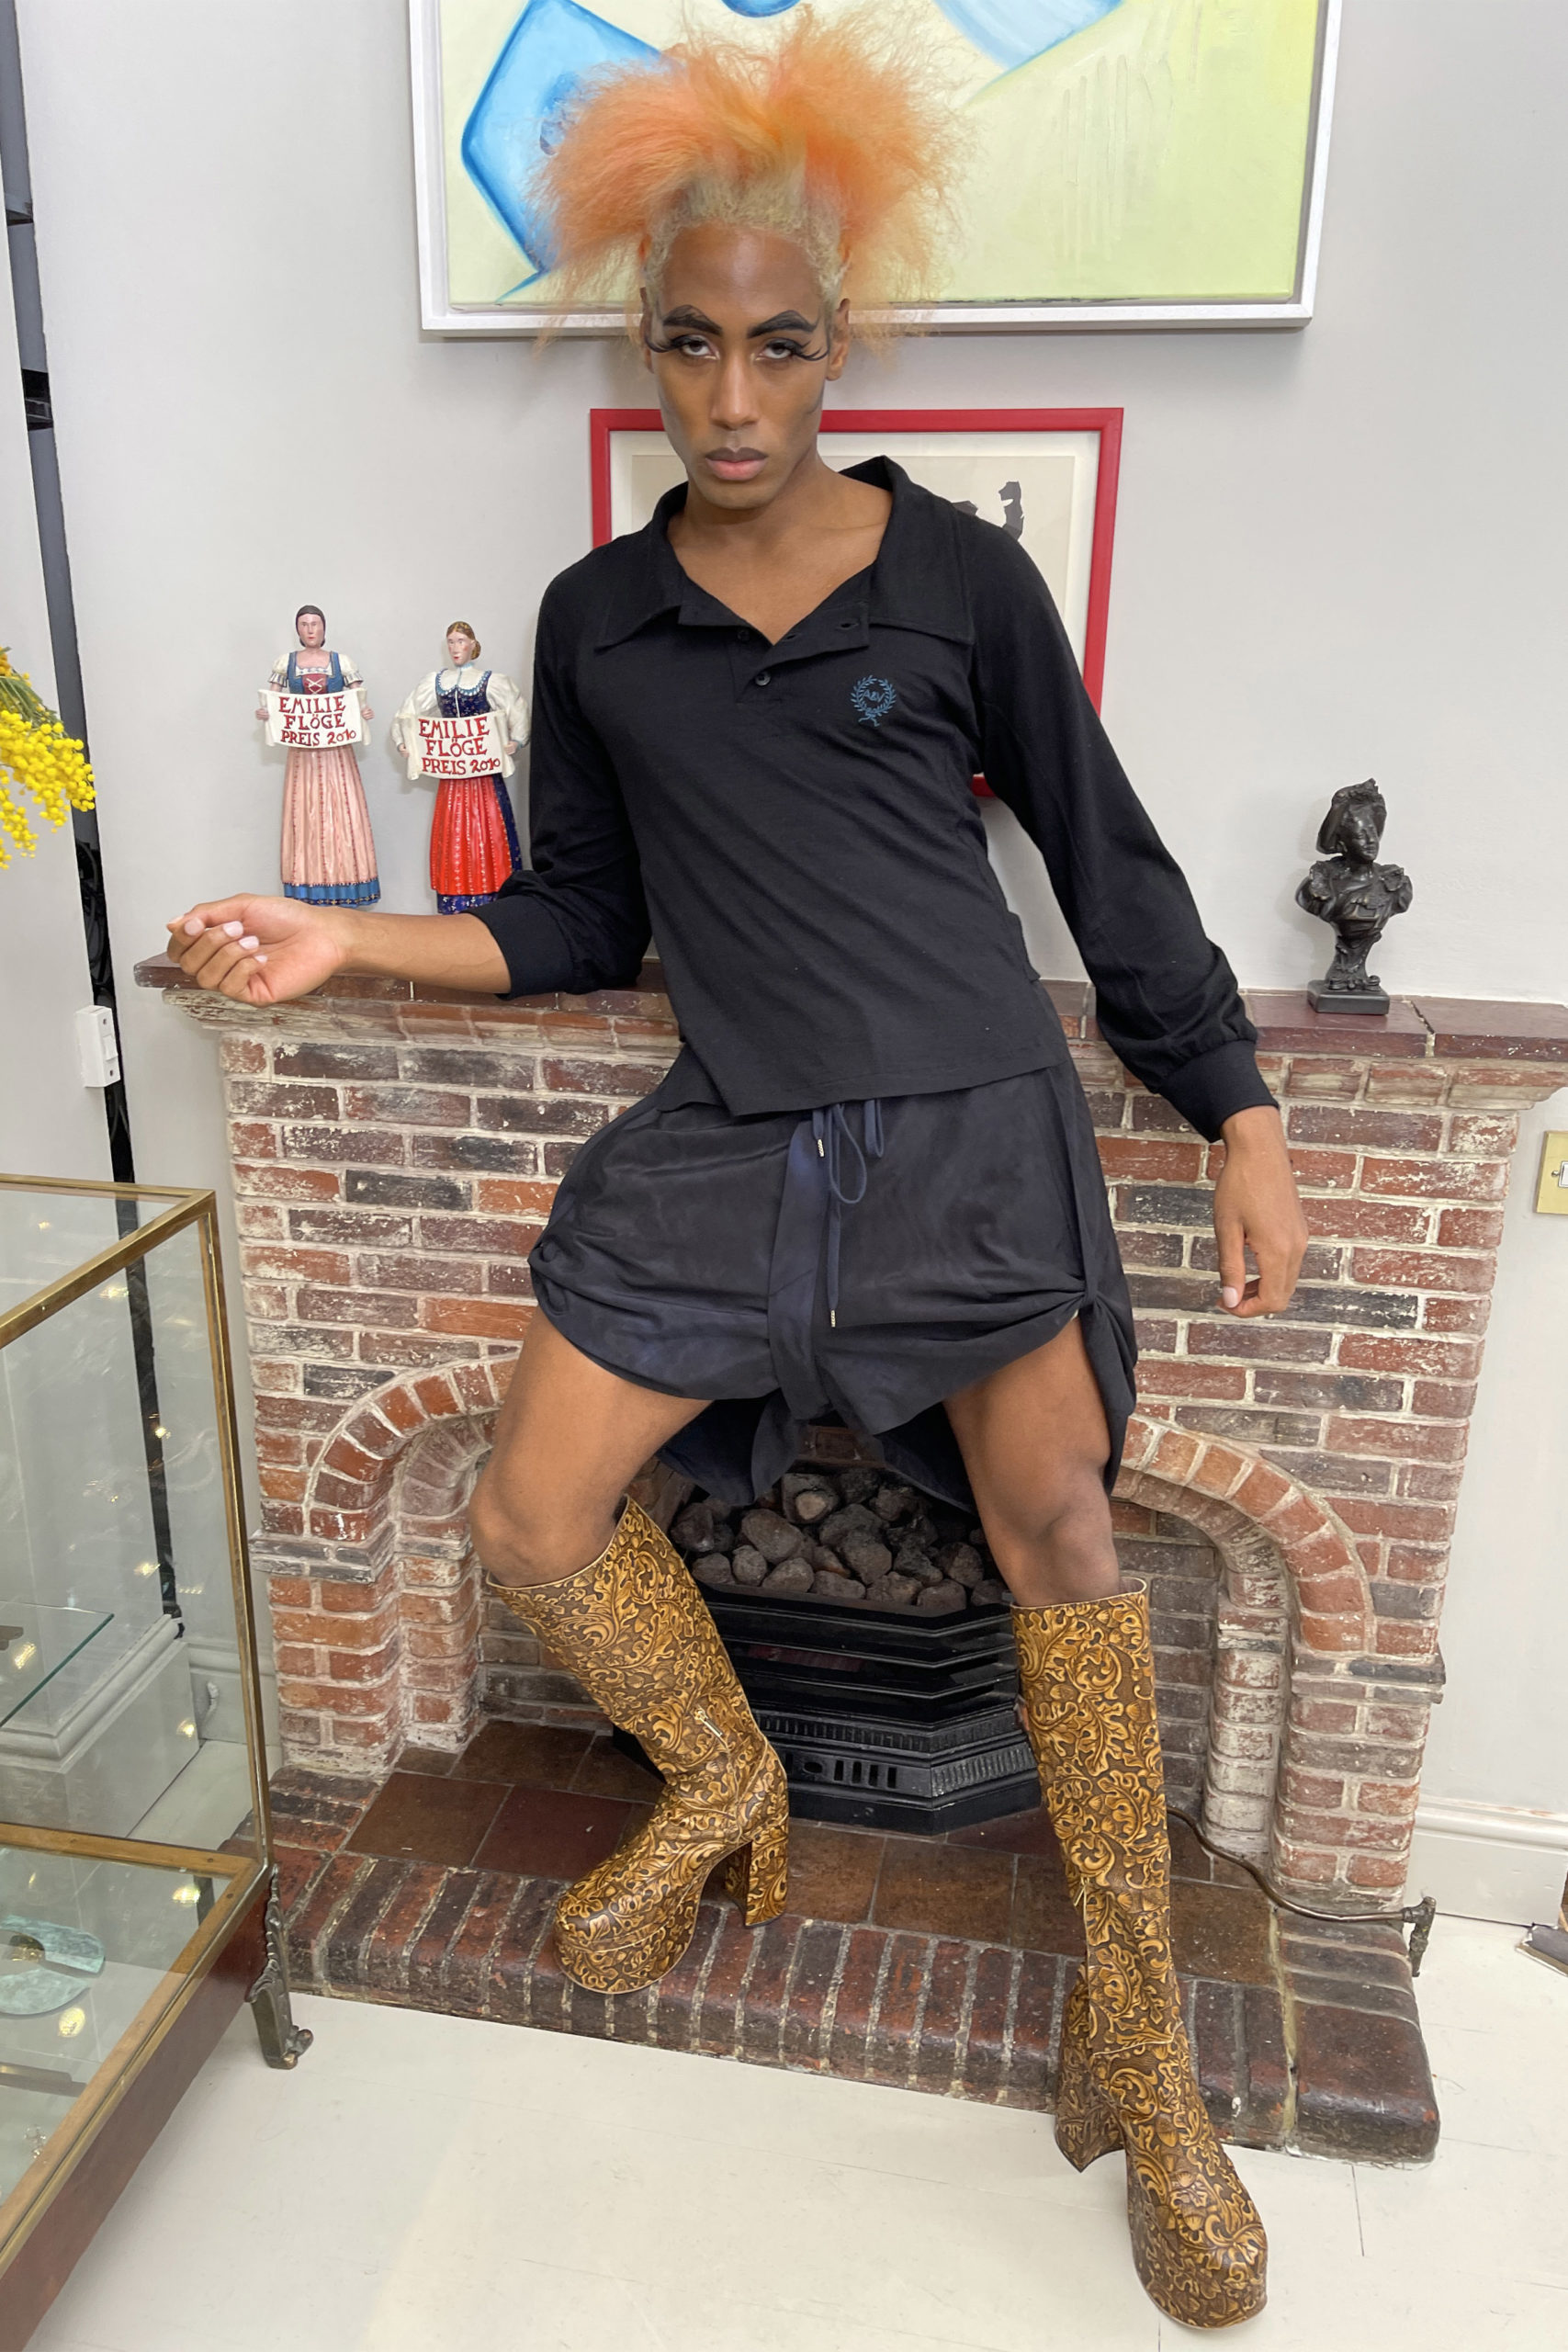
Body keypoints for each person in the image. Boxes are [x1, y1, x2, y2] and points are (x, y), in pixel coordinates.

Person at [168, 15, 1305, 2327]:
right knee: (524, 1510)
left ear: (834, 342)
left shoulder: (957, 583)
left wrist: (1239, 1110)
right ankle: (716, 1778)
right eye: (687, 342)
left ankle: (1139, 2044)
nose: (729, 390)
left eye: (775, 344)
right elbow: (579, 918)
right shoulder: (600, 619)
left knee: (1060, 1533)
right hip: (733, 1133)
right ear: (645, 341)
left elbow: (1105, 861)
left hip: (968, 1120)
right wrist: (340, 933)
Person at [390, 622, 528, 911]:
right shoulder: (436, 681)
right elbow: (408, 713)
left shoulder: (490, 681)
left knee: (487, 828)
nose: (455, 648)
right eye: (451, 642)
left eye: (461, 641)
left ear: (473, 644)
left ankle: (493, 898)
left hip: (483, 774)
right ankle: (457, 900)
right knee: (454, 831)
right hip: (452, 773)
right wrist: (405, 741)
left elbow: (517, 709)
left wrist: (515, 741)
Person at [259, 605, 380, 906]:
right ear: (297, 630)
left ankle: (347, 881)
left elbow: (358, 697)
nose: (310, 629)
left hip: (336, 750)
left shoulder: (341, 662)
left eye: (315, 623)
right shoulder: (286, 663)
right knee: (305, 809)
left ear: (324, 628)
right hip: (303, 751)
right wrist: (267, 712)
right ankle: (308, 884)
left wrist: (363, 711)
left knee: (342, 808)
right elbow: (272, 698)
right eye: (304, 624)